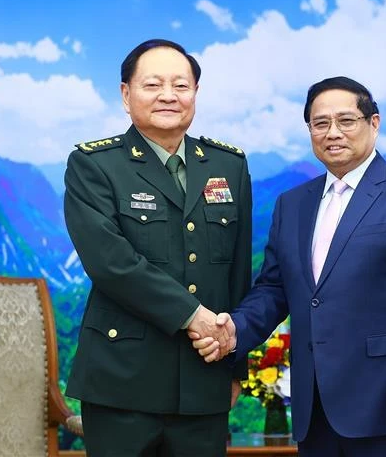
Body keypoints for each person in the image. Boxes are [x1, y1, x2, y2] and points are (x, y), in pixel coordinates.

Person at [191, 76, 386, 456]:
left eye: (346, 121)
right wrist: (234, 331)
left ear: (374, 124)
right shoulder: (292, 203)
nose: (333, 132)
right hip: (314, 410)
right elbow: (273, 289)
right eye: (321, 123)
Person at [64, 38, 252, 456]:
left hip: (205, 381)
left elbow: (238, 272)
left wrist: (235, 363)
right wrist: (192, 316)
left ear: (196, 94)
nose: (169, 95)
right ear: (126, 95)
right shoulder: (94, 165)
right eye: (153, 85)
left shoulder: (229, 166)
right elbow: (110, 263)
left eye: (181, 85)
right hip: (121, 383)